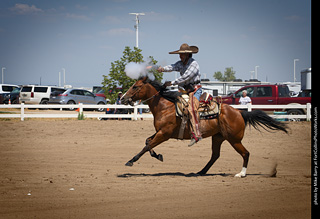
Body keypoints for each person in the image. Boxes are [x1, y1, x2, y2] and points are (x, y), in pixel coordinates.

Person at [157, 43, 202, 146]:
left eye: (181, 54)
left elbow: (185, 77)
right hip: (185, 90)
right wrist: (162, 69)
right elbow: (172, 66)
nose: (180, 56)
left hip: (195, 90)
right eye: (180, 54)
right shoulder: (181, 63)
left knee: (191, 109)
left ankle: (197, 134)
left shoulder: (194, 64)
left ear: (187, 55)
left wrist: (172, 83)